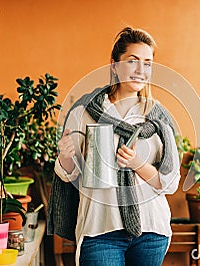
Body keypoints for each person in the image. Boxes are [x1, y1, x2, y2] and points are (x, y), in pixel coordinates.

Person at [48, 27, 180, 266]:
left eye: (147, 63)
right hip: (100, 228)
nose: (141, 70)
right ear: (114, 65)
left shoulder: (157, 116)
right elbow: (70, 173)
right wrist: (66, 155)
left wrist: (136, 163)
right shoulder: (85, 111)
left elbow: (168, 182)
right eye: (133, 61)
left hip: (151, 229)